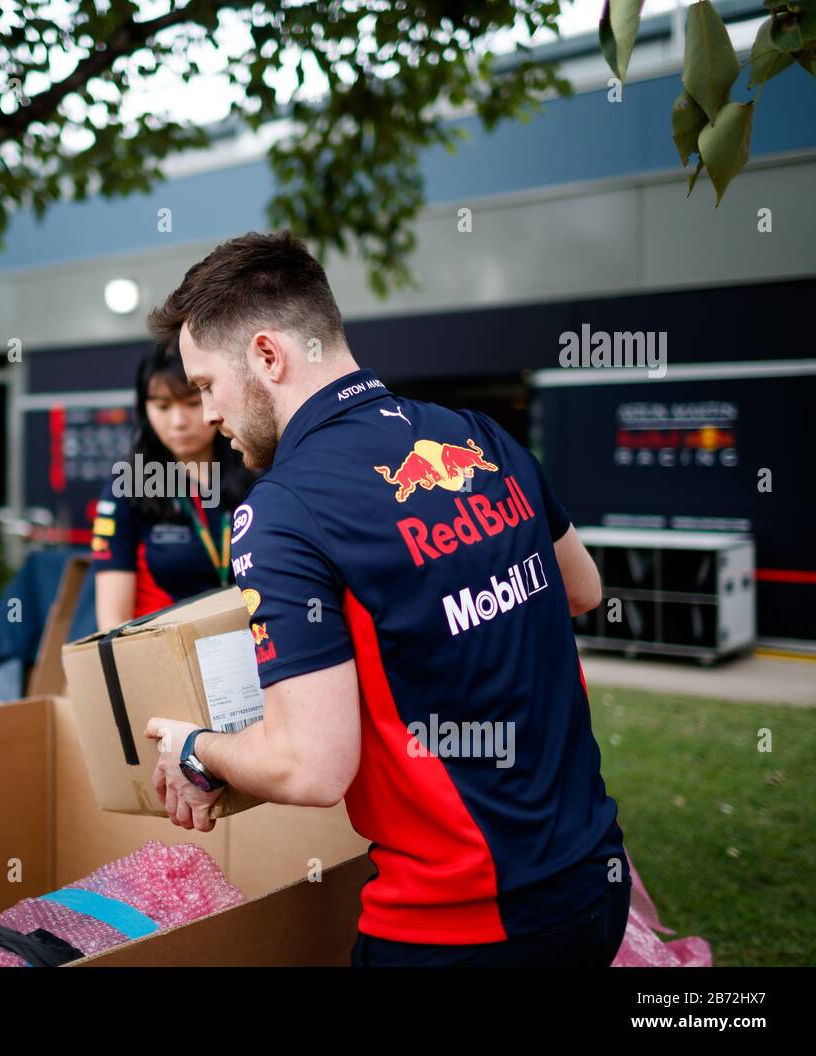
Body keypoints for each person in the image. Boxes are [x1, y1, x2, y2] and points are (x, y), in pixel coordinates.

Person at [142, 231, 632, 967]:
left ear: (268, 356)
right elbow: (582, 589)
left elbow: (311, 767)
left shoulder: (283, 508)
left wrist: (194, 747)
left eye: (207, 384)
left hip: (459, 924)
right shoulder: (481, 437)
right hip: (595, 884)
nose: (207, 413)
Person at [92, 340, 256, 630]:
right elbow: (111, 624)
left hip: (250, 653)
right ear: (144, 409)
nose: (178, 421)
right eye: (163, 406)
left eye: (192, 403)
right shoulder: (129, 487)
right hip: (161, 660)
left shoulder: (255, 474)